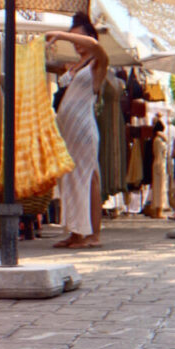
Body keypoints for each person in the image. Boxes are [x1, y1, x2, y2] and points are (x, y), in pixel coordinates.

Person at [47, 13, 108, 248]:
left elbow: (95, 46)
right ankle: (75, 232)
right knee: (71, 180)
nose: (75, 43)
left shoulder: (98, 62)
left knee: (88, 179)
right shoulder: (75, 65)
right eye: (72, 40)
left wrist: (59, 35)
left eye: (77, 38)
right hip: (68, 130)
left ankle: (92, 234)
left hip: (83, 128)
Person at [149, 119, 168, 218]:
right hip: (160, 163)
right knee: (159, 188)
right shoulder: (159, 140)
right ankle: (158, 210)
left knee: (158, 187)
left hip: (157, 163)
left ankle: (156, 209)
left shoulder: (156, 139)